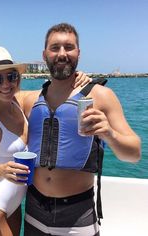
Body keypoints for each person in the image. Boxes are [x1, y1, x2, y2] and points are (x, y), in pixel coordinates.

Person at [21, 23, 141, 236]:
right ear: (44, 54)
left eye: (69, 47)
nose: (62, 53)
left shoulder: (101, 95)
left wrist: (109, 134)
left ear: (78, 52)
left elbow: (134, 154)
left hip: (78, 216)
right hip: (34, 210)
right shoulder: (30, 100)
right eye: (55, 47)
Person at [0, 46, 91, 236]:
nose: (6, 84)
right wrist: (1, 170)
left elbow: (55, 91)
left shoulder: (19, 102)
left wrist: (76, 78)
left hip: (14, 206)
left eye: (11, 76)